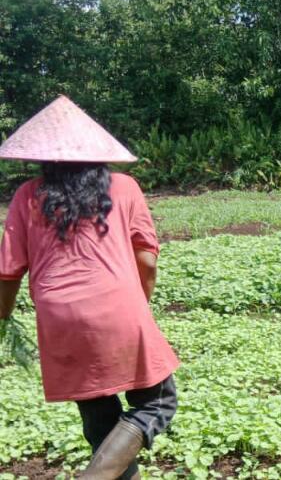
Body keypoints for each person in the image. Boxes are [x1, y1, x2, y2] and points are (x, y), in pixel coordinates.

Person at [0, 96, 179, 480]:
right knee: (159, 401)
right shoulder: (124, 187)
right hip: (117, 306)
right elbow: (146, 258)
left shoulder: (27, 196)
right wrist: (138, 304)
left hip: (57, 318)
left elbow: (8, 272)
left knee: (100, 416)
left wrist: (2, 317)